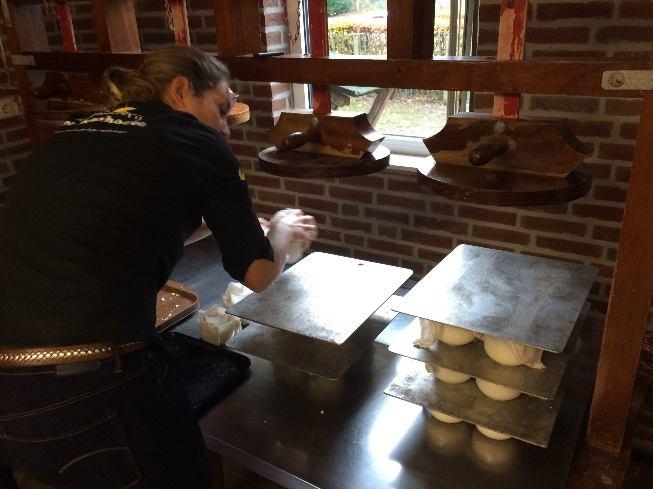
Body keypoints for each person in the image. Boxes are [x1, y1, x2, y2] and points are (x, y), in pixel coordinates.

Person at [0, 45, 317, 488]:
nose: (225, 128)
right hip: (96, 383)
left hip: (13, 392)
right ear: (182, 89)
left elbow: (125, 226)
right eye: (221, 109)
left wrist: (215, 229)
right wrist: (282, 230)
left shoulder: (74, 131)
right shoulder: (199, 142)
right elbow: (258, 274)